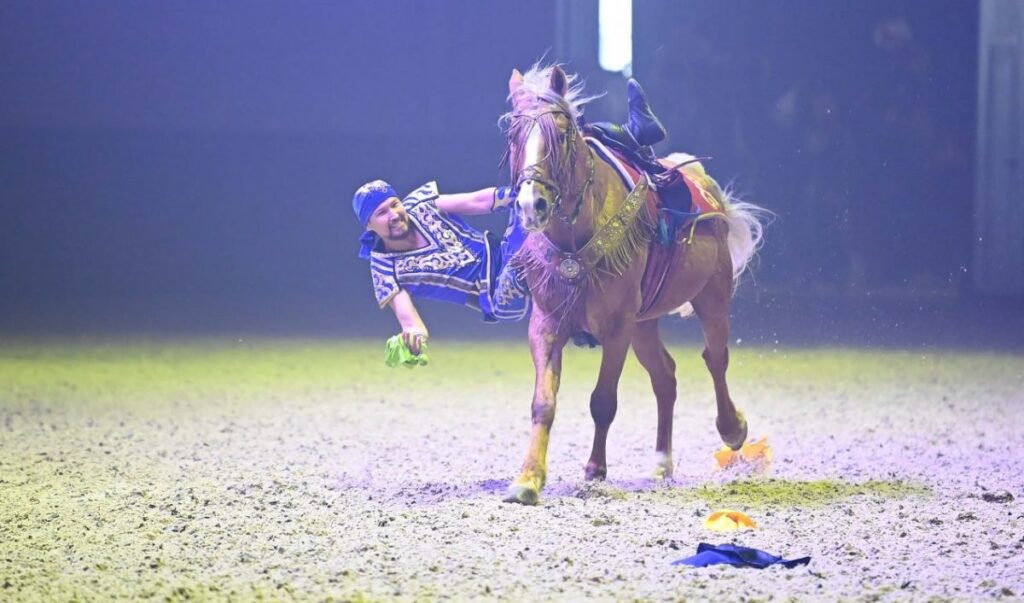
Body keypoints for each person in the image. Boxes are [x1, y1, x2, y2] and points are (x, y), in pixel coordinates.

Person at [352, 79, 667, 355]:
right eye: (382, 213)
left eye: (394, 204)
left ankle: (632, 136)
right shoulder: (383, 267)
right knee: (535, 233)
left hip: (505, 250)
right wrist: (415, 333)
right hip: (496, 294)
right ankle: (581, 310)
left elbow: (475, 200)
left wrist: (519, 192)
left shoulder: (419, 203)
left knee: (552, 142)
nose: (394, 213)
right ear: (369, 226)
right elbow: (406, 314)